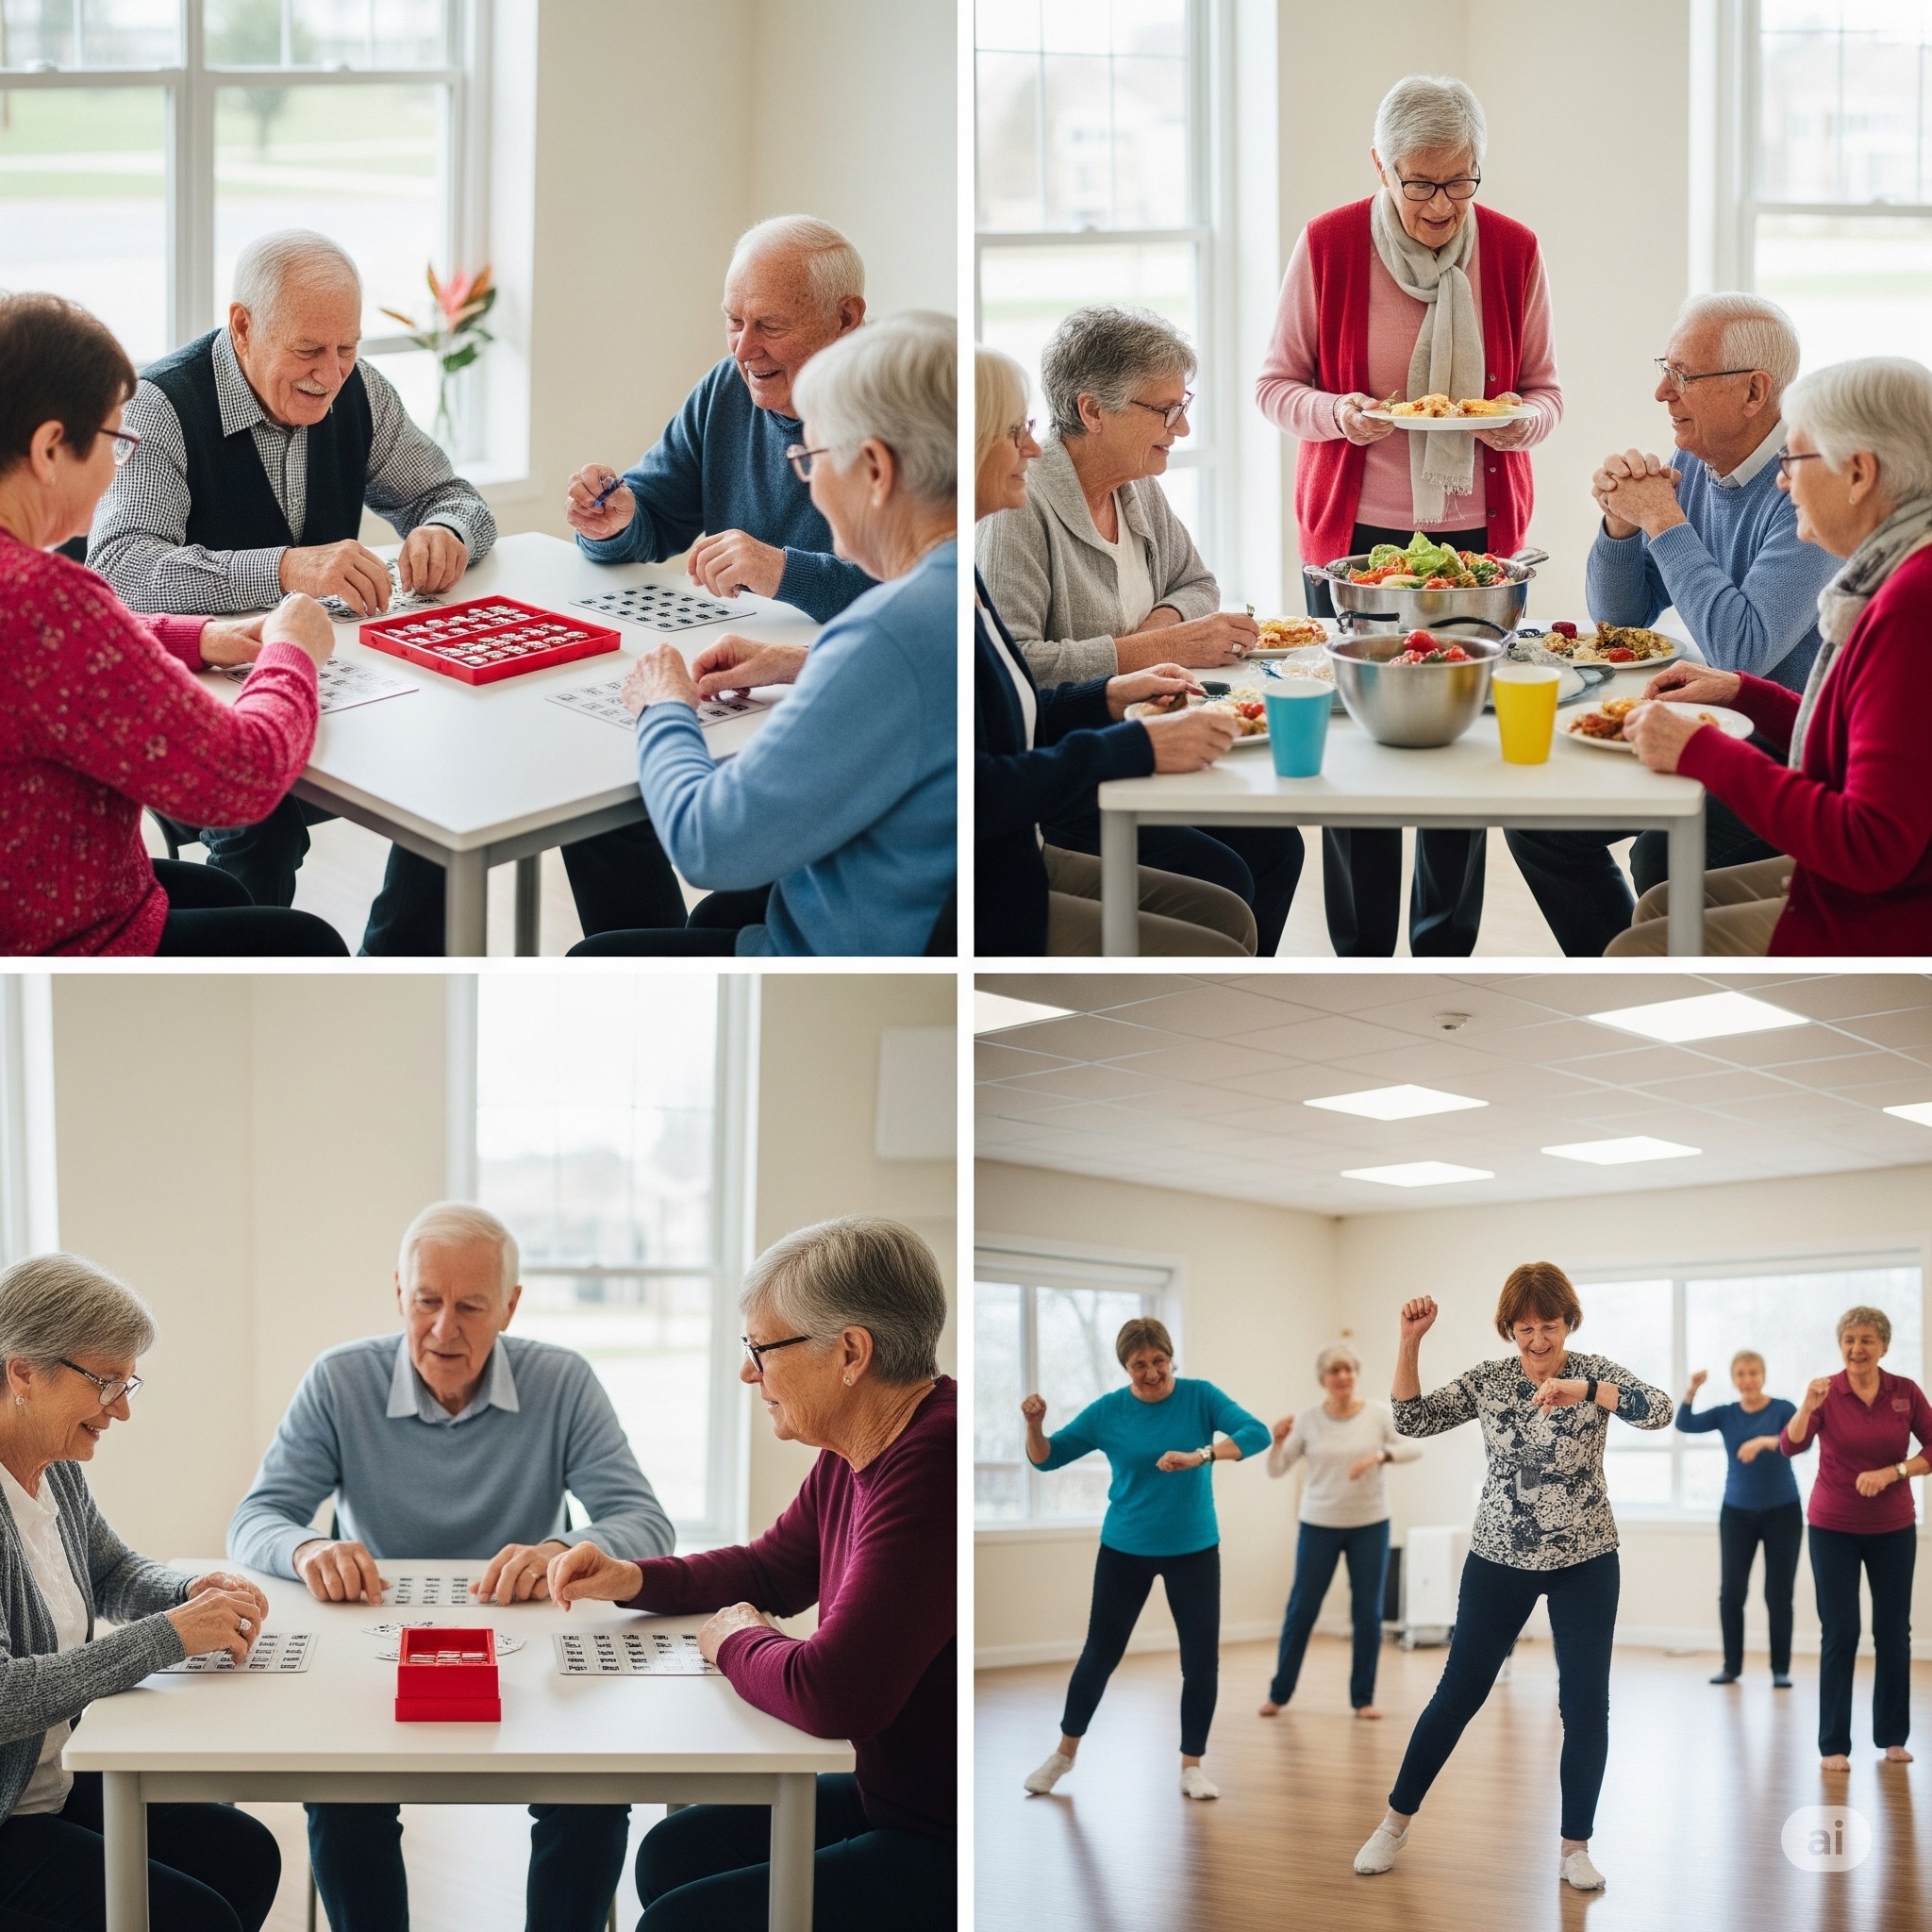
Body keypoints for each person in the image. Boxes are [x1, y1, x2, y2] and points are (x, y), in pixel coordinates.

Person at [84, 229, 546, 953]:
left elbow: (456, 497)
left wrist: (447, 532)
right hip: (209, 701)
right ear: (242, 326)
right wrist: (286, 567)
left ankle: (394, 963)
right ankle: (253, 968)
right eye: (308, 351)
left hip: (334, 678)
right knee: (262, 824)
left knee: (450, 764)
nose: (330, 374)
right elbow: (124, 570)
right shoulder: (158, 406)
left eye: (347, 348)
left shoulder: (359, 389)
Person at [226, 1202, 675, 1932]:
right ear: (399, 1294)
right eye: (427, 1301)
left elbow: (646, 1522)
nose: (444, 1328)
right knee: (342, 1790)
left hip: (533, 1653)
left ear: (510, 1305)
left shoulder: (563, 1381)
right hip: (377, 1647)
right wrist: (310, 1548)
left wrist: (561, 1550)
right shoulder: (340, 1380)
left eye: (470, 1305)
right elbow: (254, 1519)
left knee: (593, 1789)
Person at [546, 1218, 954, 1932]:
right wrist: (629, 1578)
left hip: (940, 1835)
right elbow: (772, 1569)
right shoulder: (852, 1451)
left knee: (674, 1923)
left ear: (851, 1352)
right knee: (671, 1855)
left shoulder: (931, 1460)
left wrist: (735, 1641)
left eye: (761, 1348)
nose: (747, 1371)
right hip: (888, 1793)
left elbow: (834, 1692)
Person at [1256, 73, 1561, 958]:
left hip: (1473, 545)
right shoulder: (1329, 245)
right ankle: (1358, 946)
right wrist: (1338, 415)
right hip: (1355, 539)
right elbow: (1275, 385)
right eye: (1419, 183)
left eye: (1459, 182)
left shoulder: (1511, 249)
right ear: (1381, 168)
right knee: (1360, 750)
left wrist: (1517, 422)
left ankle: (1443, 947)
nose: (1440, 205)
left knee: (1460, 750)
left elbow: (1546, 391)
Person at [568, 315, 956, 956]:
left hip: (835, 950)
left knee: (597, 959)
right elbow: (652, 508)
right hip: (891, 908)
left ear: (877, 470)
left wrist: (665, 705)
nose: (807, 479)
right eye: (731, 320)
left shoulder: (886, 634)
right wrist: (803, 660)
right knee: (695, 914)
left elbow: (709, 844)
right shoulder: (956, 589)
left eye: (812, 458)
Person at [0, 291, 346, 957]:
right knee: (309, 944)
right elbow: (241, 778)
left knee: (223, 895)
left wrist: (197, 635)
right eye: (113, 440)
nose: (116, 468)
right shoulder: (47, 600)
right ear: (49, 449)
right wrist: (291, 651)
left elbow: (52, 660)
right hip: (63, 941)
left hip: (39, 896)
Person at [1507, 293, 1839, 954]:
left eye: (1684, 375)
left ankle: (1646, 971)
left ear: (1754, 392)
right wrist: (1622, 525)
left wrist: (1664, 519)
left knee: (1660, 859)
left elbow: (1742, 651)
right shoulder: (1692, 463)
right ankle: (1618, 968)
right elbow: (1619, 617)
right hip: (1718, 719)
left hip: (1799, 746)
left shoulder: (1807, 486)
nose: (1662, 391)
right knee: (1539, 823)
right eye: (1667, 368)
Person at [978, 305, 1303, 951]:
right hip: (1070, 768)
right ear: (1093, 410)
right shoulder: (1020, 504)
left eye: (1183, 405)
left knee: (1278, 844)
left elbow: (1197, 584)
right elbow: (1020, 670)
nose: (1181, 427)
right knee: (1227, 870)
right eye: (1164, 410)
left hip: (1141, 735)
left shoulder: (1135, 483)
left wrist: (1164, 631)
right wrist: (1155, 648)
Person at [1355, 1266, 1671, 1892]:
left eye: (1547, 1328)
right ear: (1510, 1329)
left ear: (1567, 1323)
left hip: (1586, 1558)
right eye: (1524, 1330)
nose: (1535, 1342)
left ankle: (1575, 1847)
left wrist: (1585, 1391)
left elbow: (1658, 1411)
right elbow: (1412, 1420)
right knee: (1459, 1693)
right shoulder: (1491, 1380)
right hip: (1500, 1557)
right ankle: (1393, 1823)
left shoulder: (1595, 1373)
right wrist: (1410, 1341)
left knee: (1585, 1704)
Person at [1607, 355, 1932, 954]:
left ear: (1859, 474)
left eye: (1796, 459)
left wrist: (1702, 750)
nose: (1783, 480)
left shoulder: (1912, 602)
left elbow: (1870, 847)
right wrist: (1742, 691)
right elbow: (1854, 738)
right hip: (1889, 882)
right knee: (1659, 904)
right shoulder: (1894, 572)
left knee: (1641, 946)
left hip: (1895, 910)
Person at [0, 1253, 281, 1931]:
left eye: (130, 1384)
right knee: (195, 1918)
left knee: (248, 1856)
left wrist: (189, 1589)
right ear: (23, 1372)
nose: (121, 1410)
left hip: (48, 1785)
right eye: (105, 1382)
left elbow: (113, 1573)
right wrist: (170, 1635)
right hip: (8, 1814)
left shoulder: (54, 1468)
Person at [565, 215, 875, 624]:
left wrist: (783, 572)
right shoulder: (727, 386)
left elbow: (929, 594)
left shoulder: (905, 407)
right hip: (747, 652)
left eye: (770, 325)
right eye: (734, 321)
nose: (743, 350)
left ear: (845, 319)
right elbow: (654, 516)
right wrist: (613, 525)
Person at [1019, 1318, 1269, 1802]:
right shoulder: (1109, 1412)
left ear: (1171, 1357)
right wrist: (1034, 1426)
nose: (1151, 1373)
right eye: (1139, 1365)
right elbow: (1047, 1458)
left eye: (1159, 1361)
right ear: (1125, 1367)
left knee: (1200, 1663)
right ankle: (1063, 1755)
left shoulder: (1200, 1396)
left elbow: (1256, 1434)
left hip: (1193, 1549)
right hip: (1124, 1549)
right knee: (1100, 1654)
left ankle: (1192, 1766)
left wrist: (1202, 1455)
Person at [1778, 1304, 1931, 1772]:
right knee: (1840, 1632)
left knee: (1892, 1632)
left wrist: (1893, 1472)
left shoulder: (1905, 1392)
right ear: (1840, 1345)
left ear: (1883, 1346)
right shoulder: (1827, 1391)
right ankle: (1834, 1746)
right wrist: (1807, 1405)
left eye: (1866, 1340)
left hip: (1893, 1528)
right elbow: (1790, 1445)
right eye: (1849, 1340)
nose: (1856, 1348)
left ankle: (1892, 1738)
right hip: (1832, 1528)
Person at [1257, 1343, 1420, 1722]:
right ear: (1322, 1379)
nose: (1343, 1376)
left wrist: (1381, 1456)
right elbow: (1275, 1469)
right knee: (1302, 1610)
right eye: (1335, 1370)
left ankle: (1363, 1698)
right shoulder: (1308, 1420)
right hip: (1319, 1525)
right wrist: (1277, 1441)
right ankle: (1279, 1694)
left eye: (1349, 1369)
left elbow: (1414, 1447)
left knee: (1367, 1612)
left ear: (1356, 1374)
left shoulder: (1379, 1414)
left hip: (1370, 1524)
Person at [1676, 1352, 1802, 1688]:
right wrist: (1692, 1389)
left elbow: (1800, 1443)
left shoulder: (1784, 1409)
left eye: (1754, 1373)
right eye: (1741, 1374)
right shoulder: (1727, 1414)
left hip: (1783, 1512)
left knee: (1778, 1594)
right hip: (1737, 1513)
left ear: (1764, 1375)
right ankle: (1732, 1666)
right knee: (1731, 1593)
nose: (1748, 1379)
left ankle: (1780, 1669)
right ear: (1734, 1379)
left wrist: (1764, 1441)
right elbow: (1685, 1424)